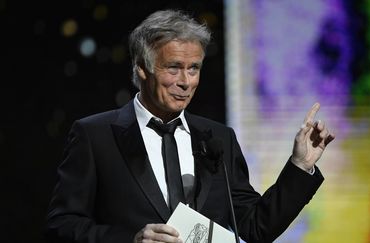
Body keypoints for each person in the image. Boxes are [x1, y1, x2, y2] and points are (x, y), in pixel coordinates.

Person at [46, 9, 335, 243]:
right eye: (173, 67)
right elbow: (62, 225)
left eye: (194, 68)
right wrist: (130, 240)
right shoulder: (96, 135)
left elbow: (255, 228)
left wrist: (299, 166)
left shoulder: (219, 138)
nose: (186, 81)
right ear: (142, 69)